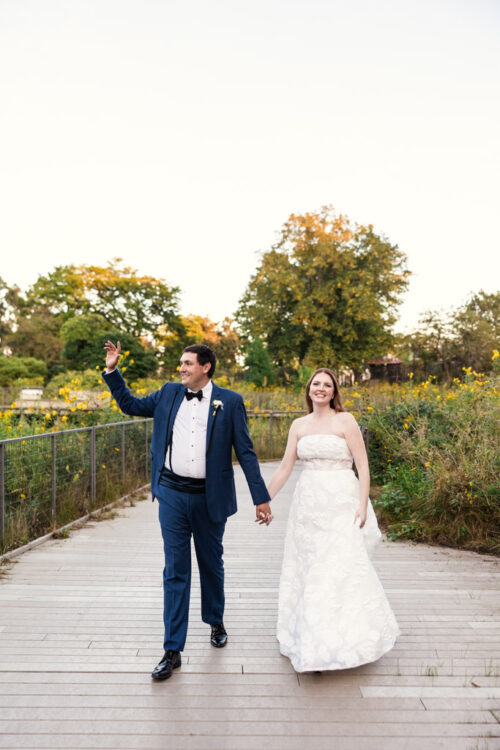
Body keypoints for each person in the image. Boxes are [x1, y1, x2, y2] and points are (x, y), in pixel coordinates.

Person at [103, 341, 272, 681]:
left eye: (187, 363)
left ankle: (215, 619)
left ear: (205, 367)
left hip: (211, 499)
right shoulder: (168, 393)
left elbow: (247, 452)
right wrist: (112, 370)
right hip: (172, 496)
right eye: (181, 363)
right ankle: (172, 649)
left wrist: (261, 496)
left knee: (211, 564)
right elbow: (129, 405)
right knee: (175, 570)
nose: (181, 368)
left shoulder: (230, 401)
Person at [267, 367, 399, 673]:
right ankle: (312, 642)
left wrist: (363, 505)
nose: (321, 388)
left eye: (327, 385)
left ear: (334, 391)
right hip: (308, 506)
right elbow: (286, 467)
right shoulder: (298, 425)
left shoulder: (346, 421)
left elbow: (362, 467)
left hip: (342, 501)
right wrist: (264, 498)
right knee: (310, 568)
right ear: (309, 389)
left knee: (338, 566)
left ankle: (346, 639)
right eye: (317, 384)